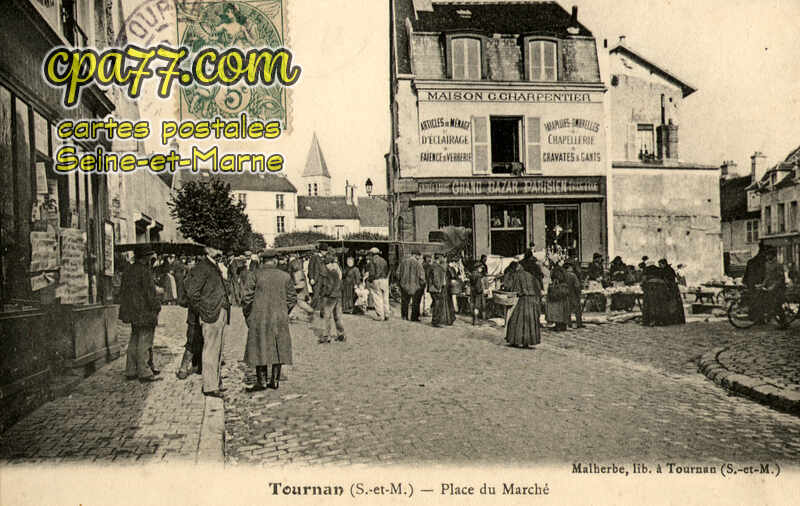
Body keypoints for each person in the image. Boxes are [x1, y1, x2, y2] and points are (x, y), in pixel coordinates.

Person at [241, 250, 297, 391]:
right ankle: (275, 380)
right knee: (279, 347)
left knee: (260, 346)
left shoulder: (254, 275)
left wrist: (249, 315)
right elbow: (292, 299)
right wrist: (284, 311)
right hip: (279, 317)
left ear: (262, 261)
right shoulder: (285, 276)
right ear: (275, 261)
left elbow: (246, 298)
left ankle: (262, 381)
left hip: (260, 317)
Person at [183, 246, 230, 398]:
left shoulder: (213, 265)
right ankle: (210, 386)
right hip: (211, 314)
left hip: (219, 312)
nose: (220, 250)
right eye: (216, 248)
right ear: (208, 250)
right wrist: (203, 309)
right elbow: (192, 292)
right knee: (211, 350)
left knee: (217, 350)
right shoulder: (202, 266)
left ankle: (216, 382)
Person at [118, 246, 163, 382]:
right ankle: (144, 372)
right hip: (145, 311)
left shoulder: (129, 270)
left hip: (133, 311)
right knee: (145, 341)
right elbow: (150, 294)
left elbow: (123, 292)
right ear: (146, 257)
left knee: (134, 339)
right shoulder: (145, 271)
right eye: (150, 256)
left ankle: (131, 370)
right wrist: (157, 306)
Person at [505, 261, 542, 347]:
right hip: (533, 300)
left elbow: (512, 288)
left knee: (517, 319)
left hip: (523, 299)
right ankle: (527, 341)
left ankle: (516, 340)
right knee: (530, 321)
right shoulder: (530, 275)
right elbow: (538, 287)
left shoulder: (517, 275)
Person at [317, 254, 347, 343]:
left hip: (330, 297)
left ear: (331, 263)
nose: (326, 266)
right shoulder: (336, 272)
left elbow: (328, 286)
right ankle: (341, 334)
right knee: (337, 316)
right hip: (338, 296)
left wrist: (324, 293)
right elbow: (339, 285)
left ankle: (326, 336)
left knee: (327, 316)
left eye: (327, 264)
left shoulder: (330, 273)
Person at [397, 250, 426, 321]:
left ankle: (404, 316)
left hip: (404, 285)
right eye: (419, 256)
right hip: (416, 286)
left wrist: (400, 282)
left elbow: (397, 273)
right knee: (415, 302)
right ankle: (414, 317)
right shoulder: (418, 264)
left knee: (404, 302)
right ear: (416, 255)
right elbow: (422, 277)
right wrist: (422, 284)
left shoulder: (403, 262)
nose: (419, 258)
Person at [761, 248, 786, 324]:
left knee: (777, 305)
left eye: (768, 255)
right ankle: (769, 317)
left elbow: (780, 278)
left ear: (772, 255)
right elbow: (767, 276)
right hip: (769, 287)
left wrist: (773, 286)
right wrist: (762, 284)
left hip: (778, 288)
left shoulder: (778, 264)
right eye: (766, 255)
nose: (767, 256)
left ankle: (783, 323)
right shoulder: (767, 264)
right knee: (768, 302)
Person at [365, 247, 390, 321]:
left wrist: (369, 280)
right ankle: (387, 314)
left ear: (372, 254)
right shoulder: (384, 260)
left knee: (377, 298)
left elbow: (372, 273)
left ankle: (380, 315)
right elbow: (387, 270)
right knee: (385, 298)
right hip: (385, 280)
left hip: (376, 280)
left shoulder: (372, 261)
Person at [658, 258, 686, 325]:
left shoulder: (665, 270)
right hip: (673, 288)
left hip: (670, 288)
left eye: (660, 264)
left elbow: (667, 279)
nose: (659, 266)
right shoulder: (670, 269)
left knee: (671, 304)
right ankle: (675, 319)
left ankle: (671, 319)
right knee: (674, 304)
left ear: (663, 264)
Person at [427, 253, 450, 327]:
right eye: (442, 257)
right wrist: (439, 287)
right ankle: (436, 322)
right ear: (439, 258)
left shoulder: (434, 266)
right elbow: (436, 279)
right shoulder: (436, 266)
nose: (443, 259)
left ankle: (435, 321)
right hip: (436, 289)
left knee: (436, 304)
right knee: (437, 305)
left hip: (434, 288)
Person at [546, 265, 570, 331]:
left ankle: (558, 325)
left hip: (558, 293)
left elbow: (556, 279)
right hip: (563, 292)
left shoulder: (556, 271)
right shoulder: (563, 272)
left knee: (557, 309)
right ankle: (563, 324)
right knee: (563, 309)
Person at [565, 262, 584, 328]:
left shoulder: (563, 275)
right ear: (569, 268)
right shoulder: (572, 275)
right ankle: (579, 323)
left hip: (566, 294)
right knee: (577, 309)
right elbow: (577, 285)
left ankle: (568, 323)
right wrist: (579, 293)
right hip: (573, 294)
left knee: (568, 310)